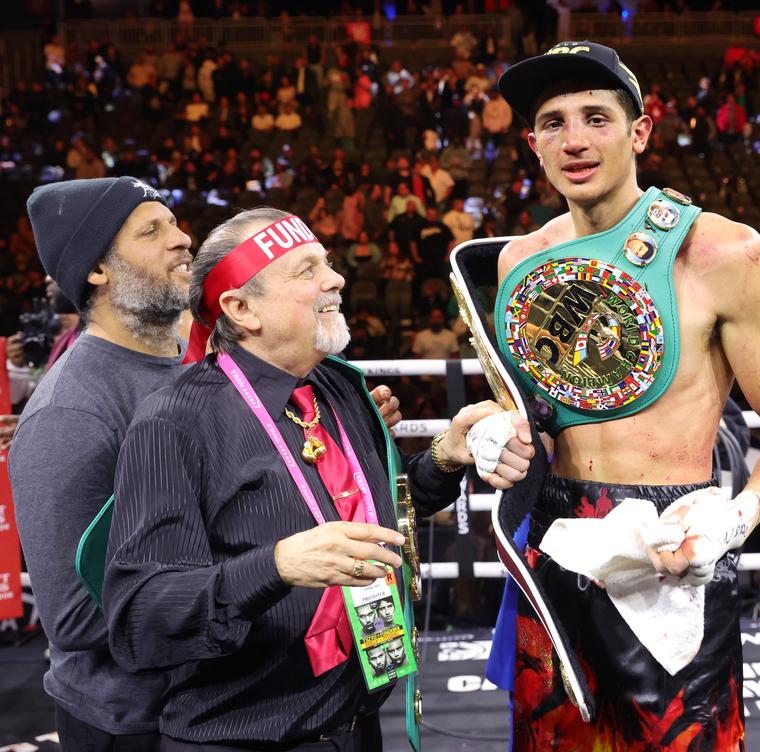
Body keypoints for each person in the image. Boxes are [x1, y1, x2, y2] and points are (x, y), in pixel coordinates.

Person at [102, 207, 535, 751]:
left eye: (326, 263)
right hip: (244, 740)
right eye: (305, 270)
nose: (336, 279)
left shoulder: (340, 387)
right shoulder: (175, 422)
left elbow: (378, 522)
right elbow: (140, 619)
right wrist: (278, 565)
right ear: (241, 309)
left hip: (356, 726)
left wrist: (446, 457)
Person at [491, 41, 760, 749]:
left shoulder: (724, 254)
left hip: (677, 546)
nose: (574, 139)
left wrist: (734, 521)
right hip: (555, 540)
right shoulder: (521, 263)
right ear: (533, 144)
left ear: (640, 131)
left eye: (596, 117)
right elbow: (525, 418)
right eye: (553, 122)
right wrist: (490, 432)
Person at [9, 176, 192, 751]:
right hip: (134, 726)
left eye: (175, 222)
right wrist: (258, 576)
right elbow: (76, 618)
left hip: (213, 705)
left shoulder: (195, 365)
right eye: (152, 230)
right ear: (98, 270)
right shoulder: (69, 412)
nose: (183, 239)